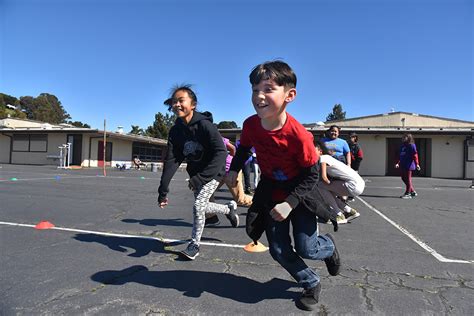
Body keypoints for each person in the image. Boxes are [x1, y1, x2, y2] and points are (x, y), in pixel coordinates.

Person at [229, 61, 339, 311]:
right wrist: (234, 169)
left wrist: (290, 203)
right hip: (271, 192)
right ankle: (310, 281)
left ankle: (329, 246)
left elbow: (312, 175)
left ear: (290, 95)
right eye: (255, 89)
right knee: (278, 249)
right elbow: (244, 148)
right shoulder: (250, 125)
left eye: (268, 89)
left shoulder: (298, 135)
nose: (259, 96)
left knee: (307, 247)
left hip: (300, 194)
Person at [157, 85, 239, 260]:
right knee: (201, 208)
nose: (176, 105)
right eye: (174, 102)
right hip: (196, 173)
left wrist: (201, 178)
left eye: (181, 100)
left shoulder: (205, 125)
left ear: (193, 104)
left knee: (198, 206)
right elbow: (172, 160)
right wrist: (163, 189)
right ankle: (228, 209)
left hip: (215, 171)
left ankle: (194, 245)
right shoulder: (175, 131)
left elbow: (221, 152)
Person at [205, 137, 253, 227]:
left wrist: (230, 162)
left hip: (229, 170)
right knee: (206, 194)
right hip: (217, 173)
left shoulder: (214, 136)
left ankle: (263, 206)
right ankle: (211, 217)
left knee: (240, 199)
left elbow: (233, 149)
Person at [316, 141, 363, 224]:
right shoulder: (330, 159)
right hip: (359, 184)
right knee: (329, 192)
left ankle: (338, 214)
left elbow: (324, 178)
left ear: (320, 151)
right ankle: (349, 211)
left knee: (320, 186)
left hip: (353, 184)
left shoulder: (323, 158)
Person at [395, 133, 420, 199]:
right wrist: (398, 163)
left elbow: (415, 155)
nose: (403, 138)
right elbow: (401, 156)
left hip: (409, 165)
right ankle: (412, 191)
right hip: (403, 165)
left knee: (408, 179)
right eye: (403, 137)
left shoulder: (411, 146)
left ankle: (408, 193)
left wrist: (417, 164)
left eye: (404, 137)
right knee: (403, 178)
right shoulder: (403, 146)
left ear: (408, 138)